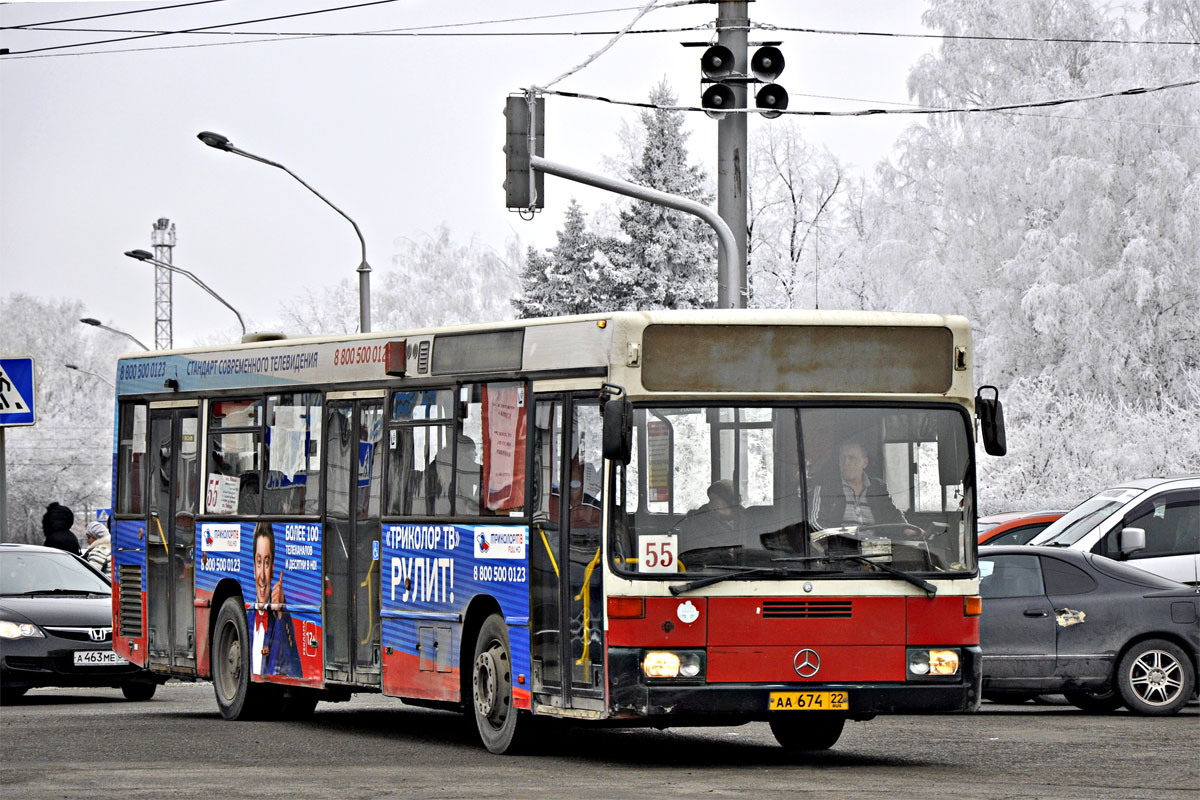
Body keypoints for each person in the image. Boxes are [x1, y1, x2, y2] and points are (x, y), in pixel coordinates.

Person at [811, 440, 910, 531]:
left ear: (865, 462)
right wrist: (836, 541)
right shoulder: (826, 488)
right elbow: (815, 523)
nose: (846, 463)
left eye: (852, 458)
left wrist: (907, 529)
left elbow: (893, 516)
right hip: (840, 547)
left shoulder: (878, 488)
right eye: (842, 458)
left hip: (875, 548)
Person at [251, 523, 302, 678]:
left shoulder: (280, 622)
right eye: (259, 562)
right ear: (253, 567)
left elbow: (294, 673)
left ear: (273, 568)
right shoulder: (245, 620)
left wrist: (280, 613)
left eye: (266, 563)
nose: (262, 576)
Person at [679, 479, 746, 552]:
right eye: (710, 499)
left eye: (714, 499)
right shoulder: (700, 519)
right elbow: (700, 543)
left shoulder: (746, 516)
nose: (710, 503)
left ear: (727, 499)